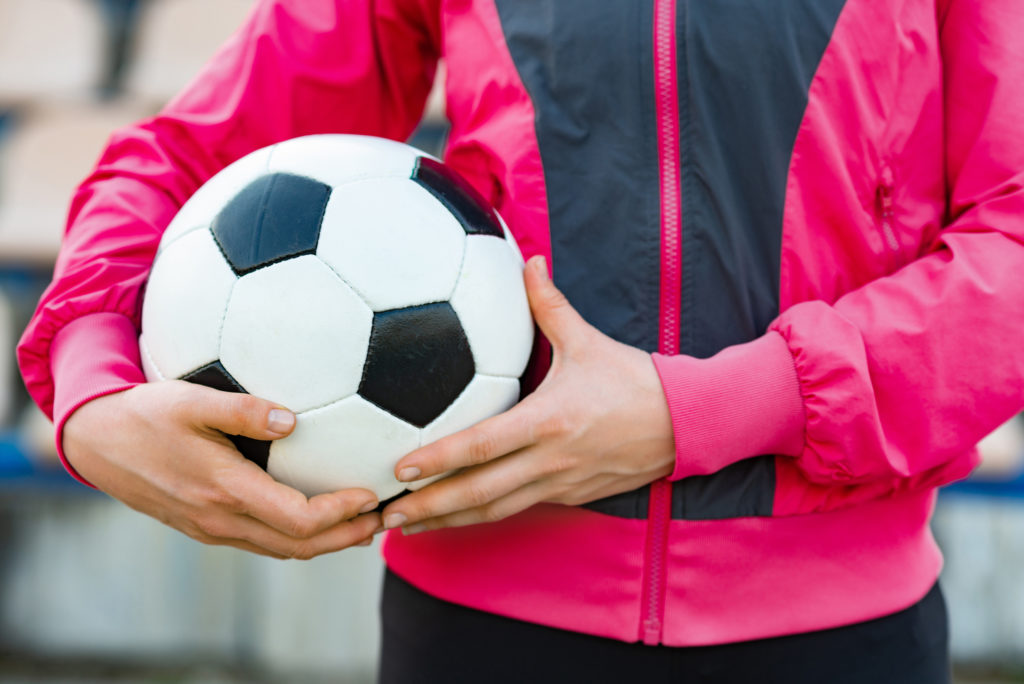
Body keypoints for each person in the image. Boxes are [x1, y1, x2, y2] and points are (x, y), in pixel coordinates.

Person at [17, 1, 1024, 682]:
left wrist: (707, 411)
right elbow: (189, 158)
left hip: (840, 635)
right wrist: (91, 381)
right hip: (473, 628)